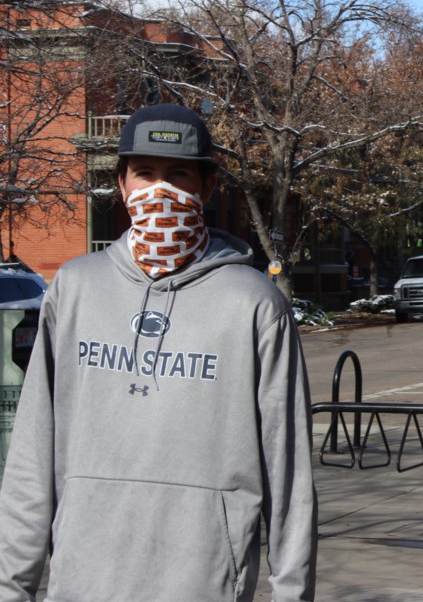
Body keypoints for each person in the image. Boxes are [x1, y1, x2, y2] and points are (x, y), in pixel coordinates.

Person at [0, 103, 317, 601]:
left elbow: (289, 470)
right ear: (121, 184)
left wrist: (291, 592)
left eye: (177, 175)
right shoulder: (76, 289)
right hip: (83, 579)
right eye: (144, 173)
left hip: (204, 580)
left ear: (206, 187)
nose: (159, 191)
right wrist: (11, 586)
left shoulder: (253, 303)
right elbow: (33, 451)